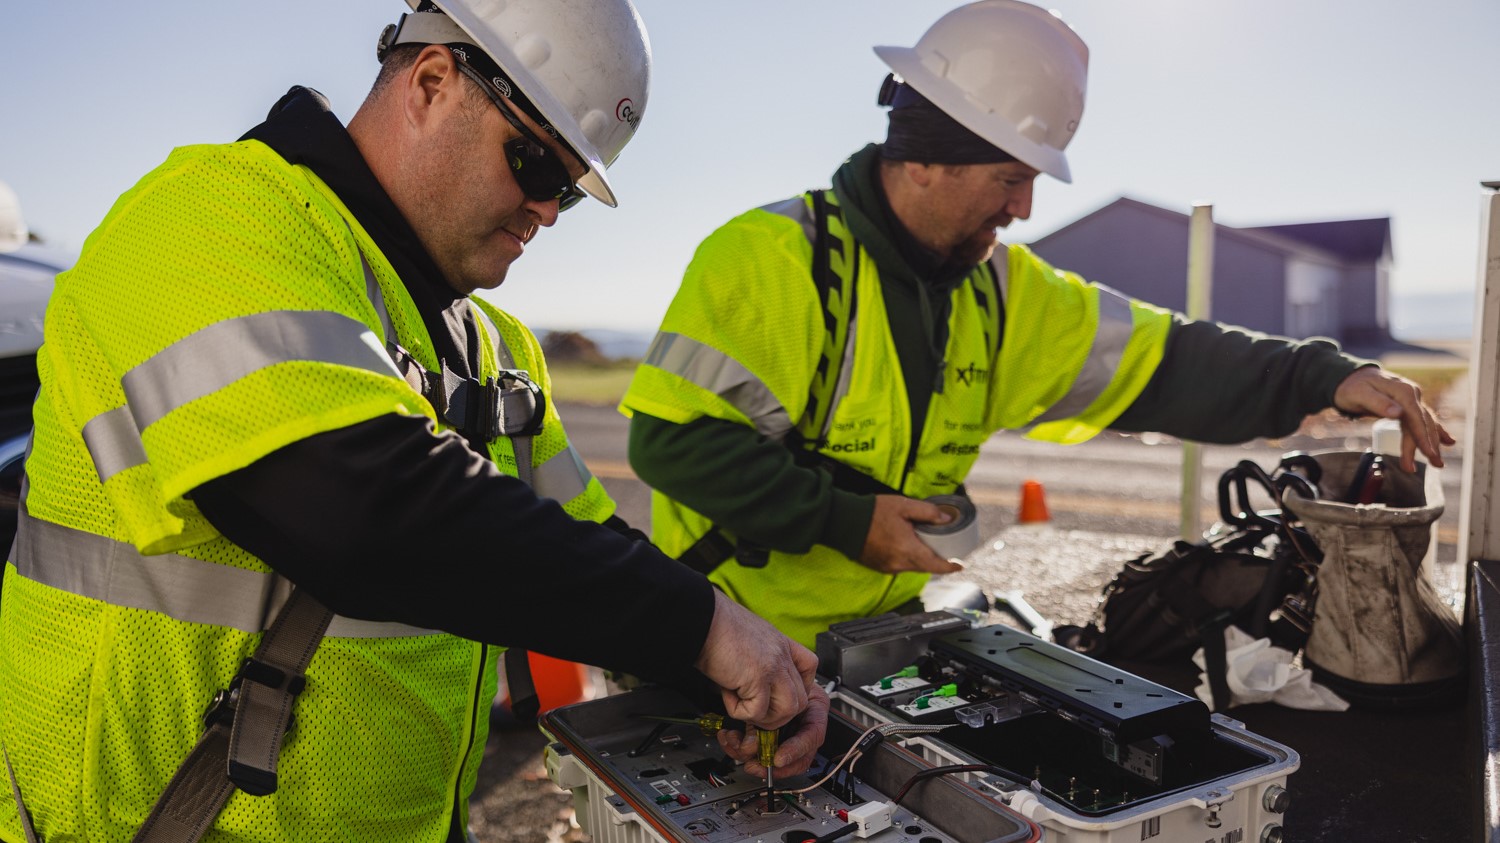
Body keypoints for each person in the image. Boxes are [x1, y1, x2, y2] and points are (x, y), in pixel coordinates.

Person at [0, 2, 827, 840]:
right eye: (538, 166)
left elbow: (584, 543)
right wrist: (700, 624)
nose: (546, 213)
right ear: (433, 81)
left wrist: (726, 673)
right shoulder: (210, 220)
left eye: (570, 195)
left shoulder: (497, 346)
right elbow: (364, 511)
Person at [620, 0, 1453, 650]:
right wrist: (844, 521)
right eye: (1010, 178)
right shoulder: (773, 260)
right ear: (924, 157)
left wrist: (1321, 376)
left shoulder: (1003, 292)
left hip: (874, 641)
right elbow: (672, 443)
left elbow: (1169, 363)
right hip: (725, 643)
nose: (1022, 209)